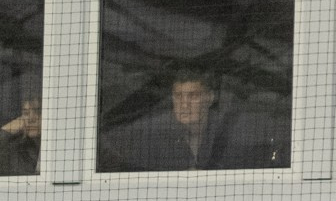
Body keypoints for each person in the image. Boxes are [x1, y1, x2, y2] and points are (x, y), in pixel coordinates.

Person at [115, 70, 281, 171]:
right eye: (178, 96)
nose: (184, 104)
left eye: (193, 96)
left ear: (209, 98)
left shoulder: (231, 134)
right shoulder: (155, 138)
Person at [0, 94, 40, 177]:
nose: (31, 119)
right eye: (26, 113)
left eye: (38, 112)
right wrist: (4, 133)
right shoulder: (17, 150)